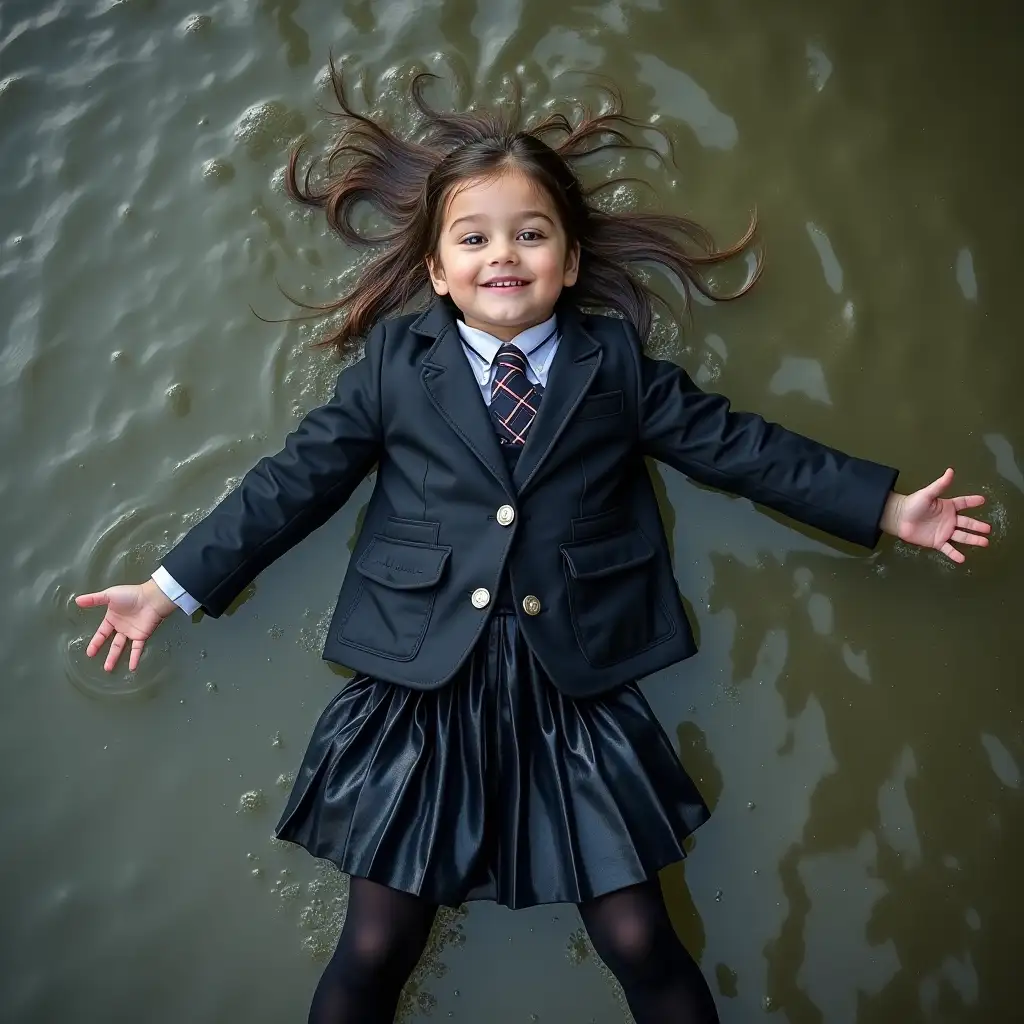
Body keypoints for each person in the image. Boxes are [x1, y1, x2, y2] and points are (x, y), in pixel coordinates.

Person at [74, 68, 990, 1024]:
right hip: (419, 686)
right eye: (472, 239)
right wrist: (168, 589)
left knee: (640, 935)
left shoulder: (616, 367)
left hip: (574, 683)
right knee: (380, 941)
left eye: (529, 233)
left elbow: (738, 448)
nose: (500, 255)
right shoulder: (397, 367)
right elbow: (291, 484)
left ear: (572, 258)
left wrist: (884, 507)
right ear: (435, 269)